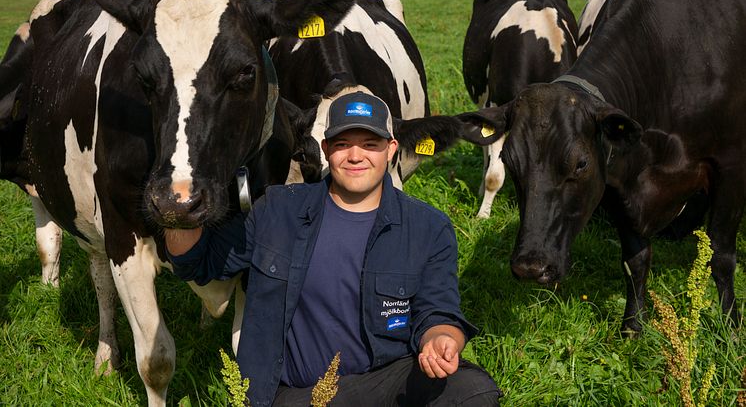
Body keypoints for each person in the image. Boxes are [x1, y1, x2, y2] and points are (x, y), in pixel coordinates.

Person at [165, 89, 502, 406]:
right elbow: (197, 263)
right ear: (325, 150)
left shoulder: (428, 228)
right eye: (343, 144)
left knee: (472, 390)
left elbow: (438, 311)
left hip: (380, 386)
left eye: (370, 144)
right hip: (295, 395)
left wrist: (440, 339)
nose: (356, 156)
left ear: (392, 148)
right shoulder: (277, 212)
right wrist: (177, 200)